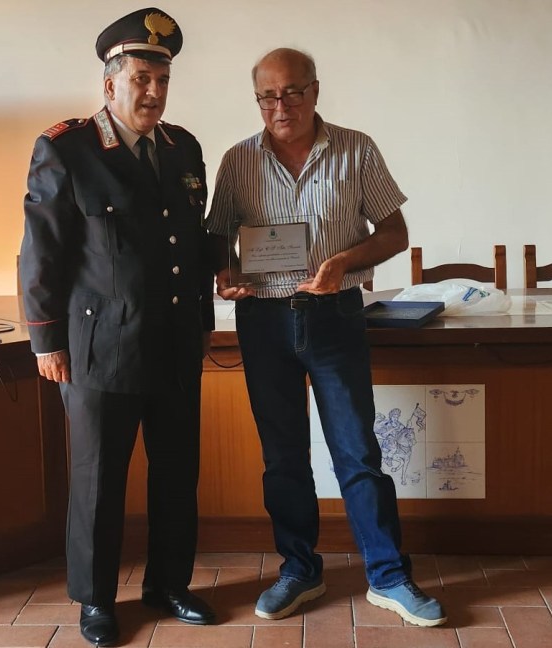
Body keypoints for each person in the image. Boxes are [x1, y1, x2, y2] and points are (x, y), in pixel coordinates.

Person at [203, 47, 447, 627]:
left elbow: (394, 233)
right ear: (257, 100)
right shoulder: (238, 160)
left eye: (292, 91)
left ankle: (388, 576)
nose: (280, 105)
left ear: (314, 91)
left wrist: (342, 263)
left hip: (334, 314)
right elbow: (216, 237)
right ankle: (299, 569)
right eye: (267, 95)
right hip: (263, 319)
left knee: (357, 452)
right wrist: (226, 271)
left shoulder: (356, 149)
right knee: (282, 457)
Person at [18, 7, 216, 646]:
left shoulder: (183, 148)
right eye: (141, 79)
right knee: (98, 481)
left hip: (175, 341)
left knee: (177, 473)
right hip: (101, 348)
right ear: (110, 84)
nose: (154, 92)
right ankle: (96, 599)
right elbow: (41, 253)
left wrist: (212, 309)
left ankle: (169, 584)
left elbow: (191, 243)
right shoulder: (67, 148)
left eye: (163, 80)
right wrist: (46, 341)